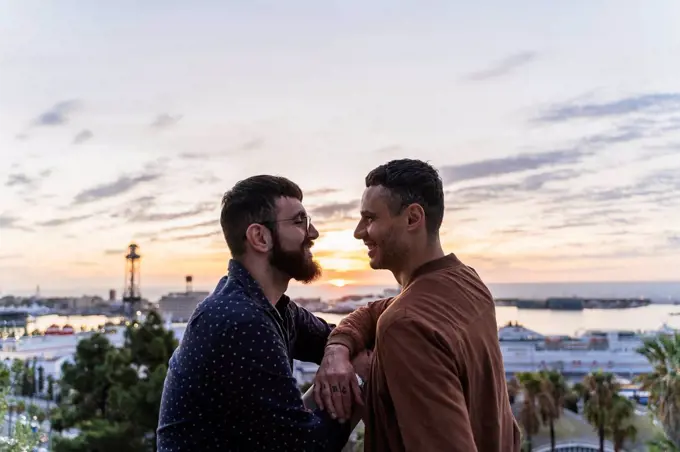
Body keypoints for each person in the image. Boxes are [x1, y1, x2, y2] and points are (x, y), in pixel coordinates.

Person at [313, 159, 521, 452]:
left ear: (412, 218)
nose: (359, 232)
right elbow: (377, 310)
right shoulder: (466, 282)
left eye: (370, 218)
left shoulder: (405, 324)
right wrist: (339, 347)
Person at [157, 175, 357, 451]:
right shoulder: (239, 320)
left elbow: (335, 336)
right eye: (299, 221)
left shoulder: (273, 308)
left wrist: (340, 352)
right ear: (260, 237)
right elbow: (307, 447)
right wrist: (359, 377)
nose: (313, 233)